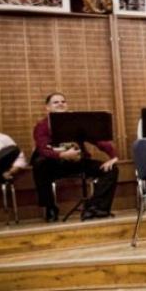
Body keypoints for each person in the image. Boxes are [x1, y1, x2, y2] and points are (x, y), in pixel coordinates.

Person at [31, 93, 119, 222]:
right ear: (47, 107)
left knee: (111, 170)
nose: (60, 104)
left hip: (77, 162)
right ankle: (50, 207)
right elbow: (43, 149)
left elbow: (99, 141)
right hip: (55, 164)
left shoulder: (77, 122)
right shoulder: (42, 126)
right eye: (56, 102)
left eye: (63, 101)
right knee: (39, 164)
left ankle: (96, 207)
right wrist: (62, 155)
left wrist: (113, 157)